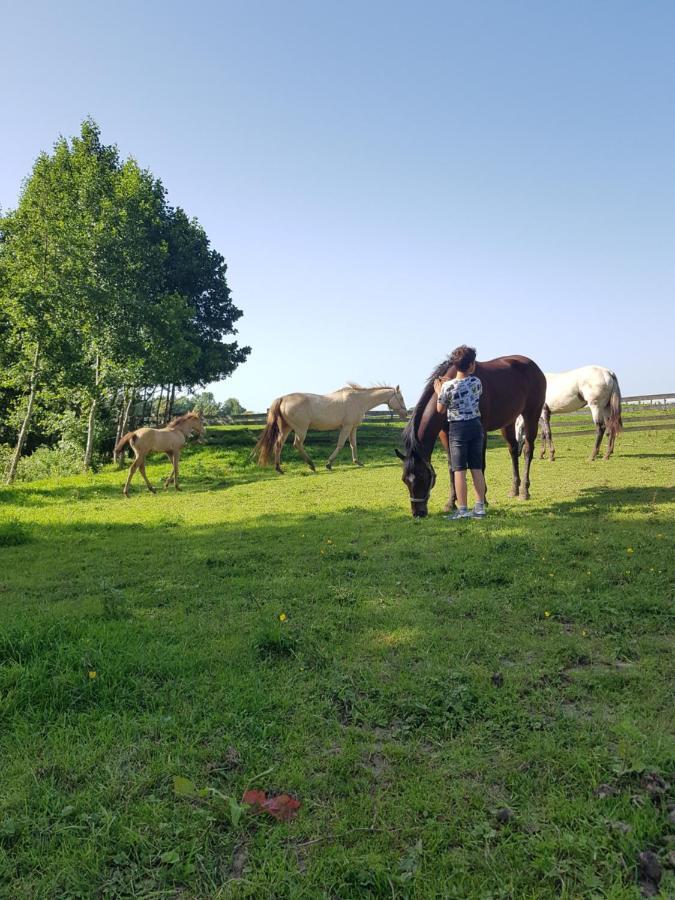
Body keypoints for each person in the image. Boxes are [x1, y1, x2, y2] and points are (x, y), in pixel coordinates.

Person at [434, 345, 487, 519]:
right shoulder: (477, 382)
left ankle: (463, 509)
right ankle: (479, 508)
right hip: (475, 426)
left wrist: (439, 391)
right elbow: (476, 396)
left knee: (459, 470)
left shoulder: (448, 387)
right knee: (476, 468)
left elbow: (440, 409)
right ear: (471, 365)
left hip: (457, 429)